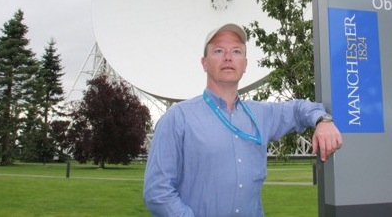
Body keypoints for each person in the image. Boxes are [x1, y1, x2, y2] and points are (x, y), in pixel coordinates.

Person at [143, 23, 342, 216]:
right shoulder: (178, 118)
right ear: (204, 63)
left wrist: (322, 120)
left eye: (237, 51)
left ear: (245, 64)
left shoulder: (261, 115)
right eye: (219, 51)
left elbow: (300, 109)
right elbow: (157, 191)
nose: (228, 57)